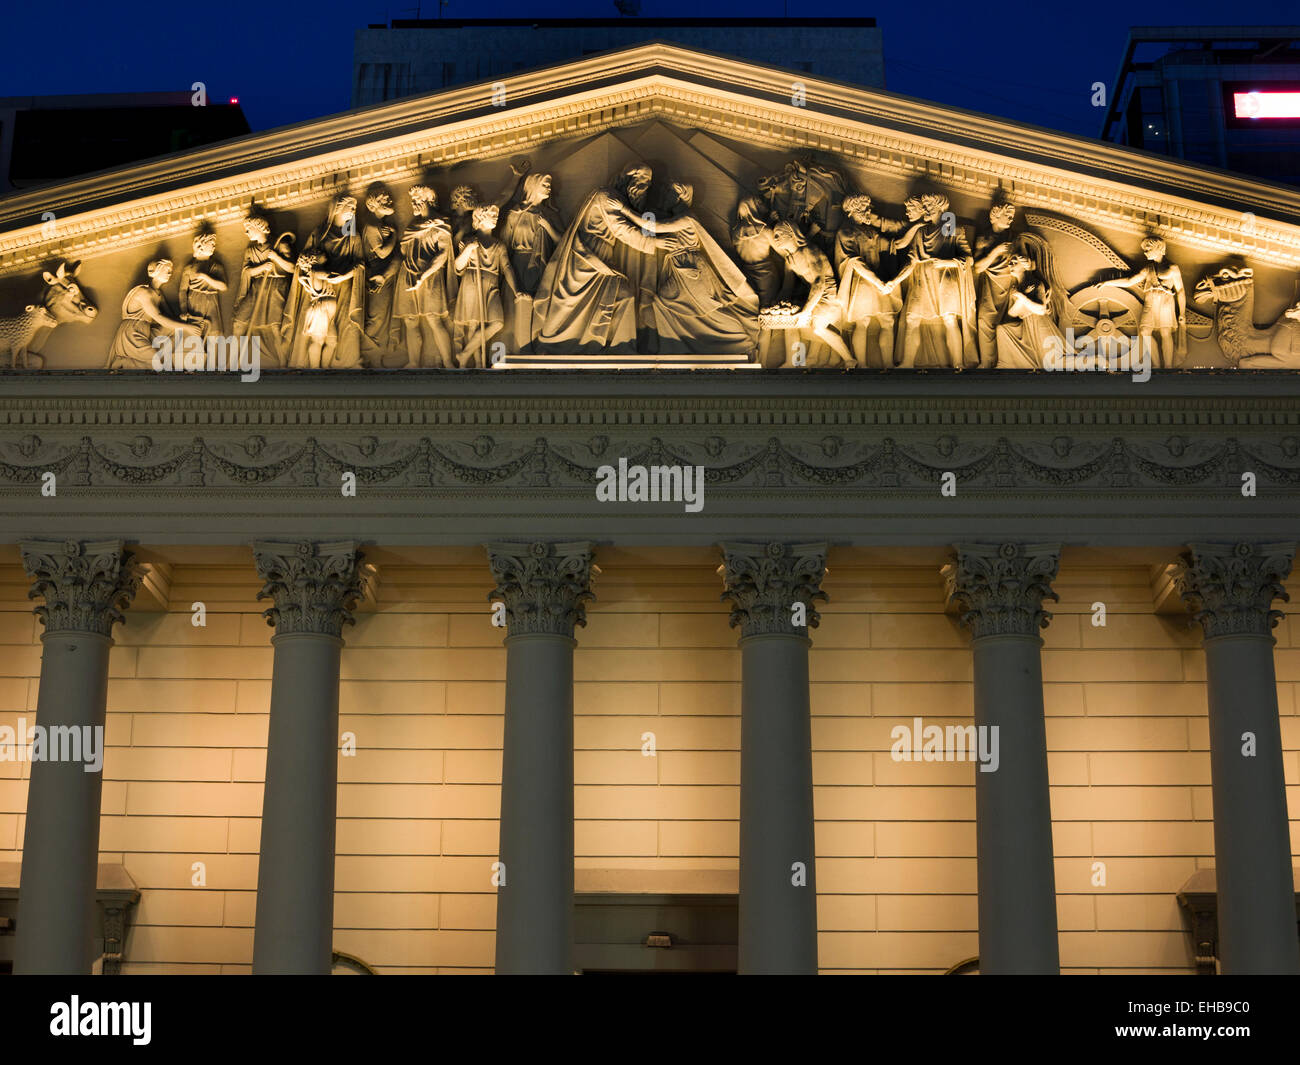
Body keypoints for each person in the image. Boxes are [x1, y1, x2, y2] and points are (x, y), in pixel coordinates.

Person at [613, 183, 759, 355]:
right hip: (679, 267)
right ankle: (674, 346)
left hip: (690, 269)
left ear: (678, 196)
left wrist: (624, 209)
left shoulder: (687, 218)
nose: (664, 197)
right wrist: (640, 204)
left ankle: (738, 340)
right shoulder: (672, 216)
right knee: (664, 303)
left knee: (705, 308)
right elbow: (647, 231)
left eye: (668, 193)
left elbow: (655, 227)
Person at [531, 163, 661, 356]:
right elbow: (622, 231)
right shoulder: (606, 197)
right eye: (643, 182)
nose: (645, 189)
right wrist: (657, 244)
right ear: (630, 179)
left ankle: (622, 348)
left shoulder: (618, 200)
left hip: (602, 257)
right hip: (586, 258)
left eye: (648, 185)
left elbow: (634, 226)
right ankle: (555, 344)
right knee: (568, 307)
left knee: (625, 296)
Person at [890, 193, 977, 369]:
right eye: (924, 205)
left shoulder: (950, 226)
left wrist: (946, 262)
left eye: (928, 204)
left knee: (949, 320)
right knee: (912, 318)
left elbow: (968, 259)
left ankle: (958, 364)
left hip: (945, 280)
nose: (925, 208)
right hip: (923, 280)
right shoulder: (922, 231)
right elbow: (912, 260)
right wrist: (895, 280)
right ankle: (907, 362)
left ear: (940, 206)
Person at [770, 220, 855, 367]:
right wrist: (775, 307)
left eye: (778, 235)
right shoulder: (789, 259)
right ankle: (798, 362)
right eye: (774, 235)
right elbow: (787, 287)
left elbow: (820, 283)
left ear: (791, 234)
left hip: (827, 294)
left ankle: (849, 359)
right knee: (799, 325)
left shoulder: (809, 251)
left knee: (818, 327)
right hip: (814, 294)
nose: (775, 239)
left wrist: (806, 310)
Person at [835, 194, 906, 367]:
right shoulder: (845, 232)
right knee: (863, 322)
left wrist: (916, 227)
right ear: (851, 211)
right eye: (863, 209)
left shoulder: (870, 231)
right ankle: (862, 366)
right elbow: (853, 261)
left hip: (878, 279)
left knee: (887, 321)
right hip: (862, 284)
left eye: (868, 208)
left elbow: (893, 244)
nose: (868, 212)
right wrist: (877, 282)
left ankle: (888, 365)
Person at [394, 185, 455, 368]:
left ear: (429, 200)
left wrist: (424, 275)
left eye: (417, 200)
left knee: (433, 318)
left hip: (430, 275)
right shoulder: (412, 226)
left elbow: (443, 255)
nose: (414, 204)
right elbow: (404, 249)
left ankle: (448, 362)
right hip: (408, 274)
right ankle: (413, 362)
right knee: (410, 320)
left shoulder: (441, 224)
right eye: (413, 200)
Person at [1100, 237, 1186, 368]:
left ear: (1158, 249)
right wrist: (1107, 283)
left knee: (1165, 332)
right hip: (1150, 301)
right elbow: (1129, 281)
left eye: (1148, 249)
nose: (1145, 252)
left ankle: (1168, 367)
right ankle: (1157, 365)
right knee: (1145, 331)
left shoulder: (1172, 268)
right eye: (1145, 250)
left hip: (1165, 302)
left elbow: (1180, 290)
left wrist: (1182, 312)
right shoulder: (1148, 269)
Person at [453, 204, 518, 367]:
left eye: (496, 215)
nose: (496, 217)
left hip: (492, 284)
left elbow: (507, 268)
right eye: (491, 214)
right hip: (472, 281)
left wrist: (517, 291)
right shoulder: (468, 240)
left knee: (497, 323)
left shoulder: (499, 245)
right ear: (480, 217)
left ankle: (465, 354)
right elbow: (458, 267)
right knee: (474, 324)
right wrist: (468, 249)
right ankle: (477, 364)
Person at [106, 259, 201, 369]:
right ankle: (122, 361)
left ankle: (124, 361)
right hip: (132, 332)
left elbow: (168, 317)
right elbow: (159, 317)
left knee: (174, 332)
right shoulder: (144, 292)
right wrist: (187, 327)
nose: (169, 273)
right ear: (156, 271)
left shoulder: (158, 294)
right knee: (156, 361)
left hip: (145, 330)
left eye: (170, 270)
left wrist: (182, 319)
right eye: (166, 269)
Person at [232, 216, 296, 364]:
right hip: (257, 288)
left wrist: (276, 257)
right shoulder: (250, 250)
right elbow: (246, 272)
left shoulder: (280, 245)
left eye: (249, 230)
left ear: (259, 227)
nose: (247, 233)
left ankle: (283, 362)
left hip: (276, 288)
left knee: (276, 328)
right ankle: (233, 361)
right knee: (238, 322)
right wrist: (262, 267)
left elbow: (292, 268)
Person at [178, 231, 227, 339]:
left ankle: (213, 356)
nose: (214, 247)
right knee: (194, 337)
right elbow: (182, 291)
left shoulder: (216, 266)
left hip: (211, 303)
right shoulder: (189, 268)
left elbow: (223, 287)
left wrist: (205, 277)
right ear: (201, 246)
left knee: (213, 336)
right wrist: (183, 310)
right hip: (194, 303)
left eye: (214, 244)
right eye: (211, 244)